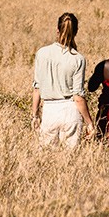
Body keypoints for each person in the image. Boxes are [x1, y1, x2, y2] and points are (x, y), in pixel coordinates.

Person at [31, 12, 95, 148]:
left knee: (46, 158)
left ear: (57, 30)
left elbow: (37, 88)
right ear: (76, 32)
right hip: (70, 111)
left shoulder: (42, 53)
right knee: (70, 160)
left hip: (49, 110)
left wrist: (35, 115)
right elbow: (78, 96)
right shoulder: (78, 59)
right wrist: (89, 122)